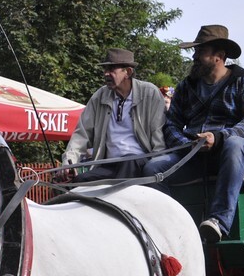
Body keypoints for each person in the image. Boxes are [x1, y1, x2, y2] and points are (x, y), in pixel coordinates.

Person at [146, 24, 244, 243]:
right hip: (194, 155)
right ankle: (170, 228)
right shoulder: (186, 86)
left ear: (219, 56)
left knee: (235, 144)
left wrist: (219, 138)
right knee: (153, 168)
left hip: (234, 155)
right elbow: (171, 125)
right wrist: (187, 144)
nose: (195, 56)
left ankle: (218, 221)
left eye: (200, 51)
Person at [61, 48, 169, 181]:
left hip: (139, 162)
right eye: (105, 69)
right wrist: (69, 162)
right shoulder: (99, 96)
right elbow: (81, 134)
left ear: (128, 72)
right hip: (110, 164)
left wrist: (157, 167)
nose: (106, 73)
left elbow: (158, 135)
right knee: (80, 182)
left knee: (127, 166)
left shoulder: (149, 93)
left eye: (112, 69)